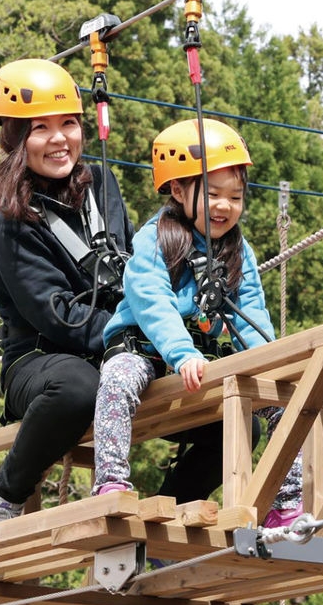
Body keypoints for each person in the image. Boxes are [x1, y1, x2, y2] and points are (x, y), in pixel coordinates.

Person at [90, 118, 303, 528]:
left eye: (236, 197)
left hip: (203, 354)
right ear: (177, 190)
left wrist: (269, 361)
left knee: (281, 397)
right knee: (117, 379)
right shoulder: (156, 240)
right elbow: (153, 299)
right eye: (215, 194)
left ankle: (286, 501)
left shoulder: (239, 251)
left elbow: (252, 310)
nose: (226, 206)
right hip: (149, 349)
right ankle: (112, 481)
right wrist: (180, 351)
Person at [0, 58, 134, 525]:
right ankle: (7, 494)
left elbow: (127, 264)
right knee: (77, 388)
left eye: (68, 123)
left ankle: (173, 503)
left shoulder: (101, 185)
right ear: (15, 139)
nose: (60, 139)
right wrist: (126, 331)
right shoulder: (8, 221)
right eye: (41, 128)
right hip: (41, 361)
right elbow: (56, 314)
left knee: (224, 396)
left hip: (113, 342)